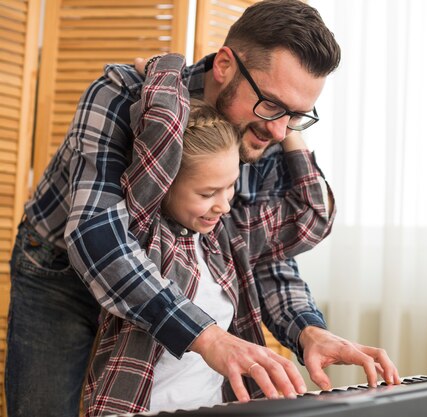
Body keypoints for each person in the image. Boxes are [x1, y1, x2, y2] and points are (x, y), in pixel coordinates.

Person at [5, 2, 400, 417]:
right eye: (271, 104)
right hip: (62, 273)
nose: (280, 131)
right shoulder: (125, 94)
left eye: (296, 116)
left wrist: (308, 330)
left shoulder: (262, 131)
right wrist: (207, 337)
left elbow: (255, 253)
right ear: (226, 65)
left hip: (159, 276)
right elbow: (96, 235)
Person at [84, 54, 335, 415]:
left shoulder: (224, 236)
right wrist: (166, 68)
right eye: (206, 193)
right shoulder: (144, 232)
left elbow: (311, 215)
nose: (223, 206)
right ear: (165, 184)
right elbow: (163, 133)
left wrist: (288, 122)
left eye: (230, 187)